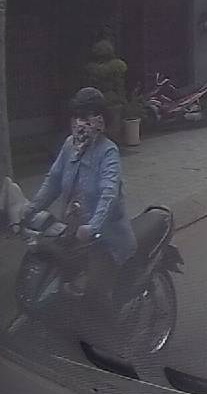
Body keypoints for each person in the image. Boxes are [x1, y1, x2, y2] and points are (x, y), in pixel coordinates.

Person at [25, 87, 137, 303]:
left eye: (86, 117)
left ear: (100, 120)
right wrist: (31, 209)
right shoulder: (70, 145)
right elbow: (53, 180)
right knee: (58, 276)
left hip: (105, 239)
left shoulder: (108, 151)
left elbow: (109, 194)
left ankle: (108, 324)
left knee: (94, 296)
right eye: (76, 116)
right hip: (71, 232)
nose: (80, 123)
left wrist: (93, 227)